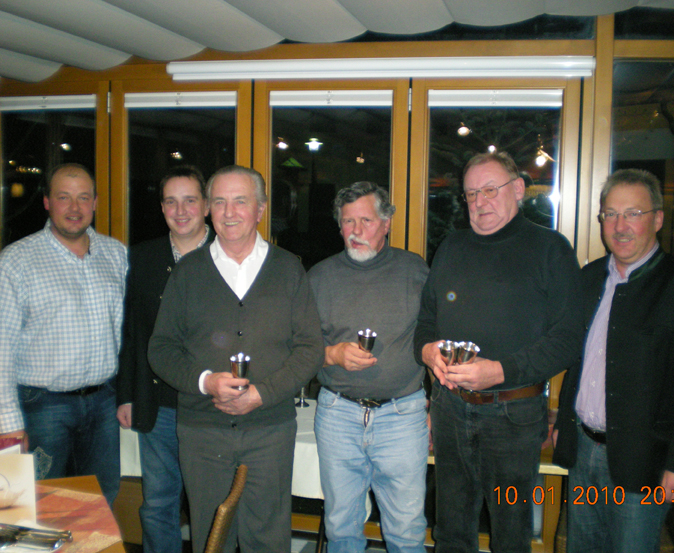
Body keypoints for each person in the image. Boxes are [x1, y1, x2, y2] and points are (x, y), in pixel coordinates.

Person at [148, 165, 324, 553]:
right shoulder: (187, 272)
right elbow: (160, 349)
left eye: (240, 201)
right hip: (202, 431)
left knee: (268, 540)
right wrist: (205, 381)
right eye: (220, 202)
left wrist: (262, 394)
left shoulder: (289, 269)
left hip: (270, 430)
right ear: (208, 209)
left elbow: (310, 348)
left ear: (260, 209)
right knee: (212, 539)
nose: (229, 212)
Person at [414, 151, 583, 553]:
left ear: (518, 189)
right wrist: (427, 352)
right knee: (451, 531)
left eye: (490, 190)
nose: (479, 202)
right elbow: (426, 322)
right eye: (471, 193)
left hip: (514, 414)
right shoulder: (451, 247)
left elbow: (568, 339)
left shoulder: (551, 248)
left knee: (511, 535)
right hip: (450, 407)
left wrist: (500, 371)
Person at [553, 168, 674, 553]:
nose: (620, 226)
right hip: (584, 451)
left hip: (644, 462)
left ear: (658, 219)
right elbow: (580, 364)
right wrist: (565, 424)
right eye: (611, 214)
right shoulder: (590, 278)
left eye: (633, 213)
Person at [308, 182, 430, 553]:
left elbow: (437, 341)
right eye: (348, 222)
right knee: (341, 526)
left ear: (387, 222)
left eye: (366, 220)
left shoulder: (415, 271)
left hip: (402, 415)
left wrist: (436, 407)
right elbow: (297, 349)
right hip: (337, 414)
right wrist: (332, 355)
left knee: (406, 530)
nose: (356, 231)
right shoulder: (319, 277)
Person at [0, 163, 127, 505]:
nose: (74, 207)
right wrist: (8, 423)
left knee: (100, 501)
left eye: (83, 197)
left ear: (95, 202)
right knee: (37, 506)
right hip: (42, 407)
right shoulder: (15, 261)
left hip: (104, 403)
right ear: (47, 202)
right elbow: (1, 348)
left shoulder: (116, 254)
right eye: (63, 197)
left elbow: (125, 333)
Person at [117, 166, 212, 553]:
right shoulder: (142, 257)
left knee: (210, 505)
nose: (181, 210)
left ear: (206, 206)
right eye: (171, 202)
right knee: (158, 505)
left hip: (212, 405)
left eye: (190, 200)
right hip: (158, 404)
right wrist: (127, 394)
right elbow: (131, 331)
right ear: (161, 208)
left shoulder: (228, 254)